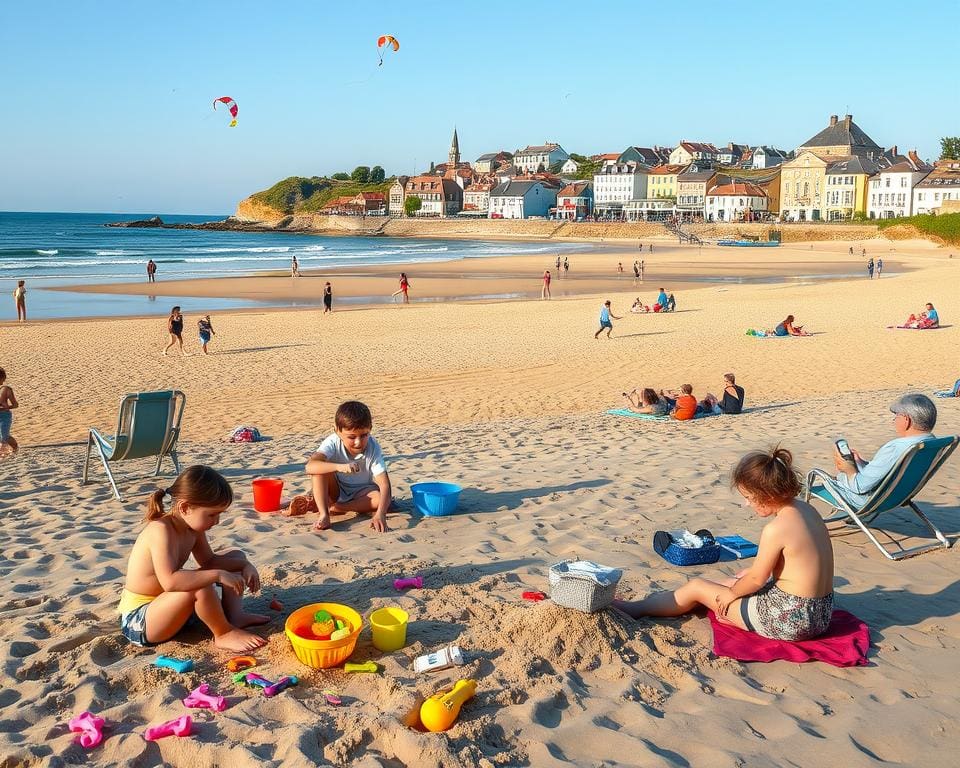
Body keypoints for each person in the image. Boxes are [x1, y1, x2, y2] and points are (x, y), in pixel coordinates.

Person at [614, 447, 835, 642]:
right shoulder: (808, 511)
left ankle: (635, 609)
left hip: (791, 621)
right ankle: (672, 601)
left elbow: (757, 579)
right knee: (736, 579)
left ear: (766, 494)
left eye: (749, 497)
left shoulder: (776, 529)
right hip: (821, 614)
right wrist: (739, 583)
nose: (746, 503)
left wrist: (730, 595)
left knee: (697, 587)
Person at [118, 465, 269, 651]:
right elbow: (170, 582)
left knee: (235, 557)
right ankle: (223, 633)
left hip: (172, 608)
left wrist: (245, 564)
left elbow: (209, 561)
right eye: (211, 515)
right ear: (185, 507)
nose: (217, 521)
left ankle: (235, 615)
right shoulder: (161, 530)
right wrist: (218, 575)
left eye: (219, 514)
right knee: (201, 585)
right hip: (141, 619)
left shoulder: (192, 529)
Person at [286, 400, 392, 533]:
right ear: (337, 430)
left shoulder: (373, 446)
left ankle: (337, 508)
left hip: (361, 492)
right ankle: (325, 514)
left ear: (370, 428)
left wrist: (380, 514)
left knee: (379, 499)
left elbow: (385, 485)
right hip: (335, 491)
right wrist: (340, 467)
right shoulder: (332, 442)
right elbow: (310, 467)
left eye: (364, 435)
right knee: (320, 469)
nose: (358, 442)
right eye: (352, 437)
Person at [831, 393, 937, 507]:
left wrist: (849, 470)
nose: (894, 421)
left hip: (867, 500)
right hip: (900, 495)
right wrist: (860, 463)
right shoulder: (932, 443)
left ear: (906, 420)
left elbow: (859, 487)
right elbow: (887, 470)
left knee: (821, 476)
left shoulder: (896, 448)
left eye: (896, 416)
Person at [0, 367, 19, 458]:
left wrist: (5, 408)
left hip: (4, 416)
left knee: (4, 437)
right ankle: (14, 448)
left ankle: (14, 449)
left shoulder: (6, 389)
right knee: (3, 436)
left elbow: (15, 405)